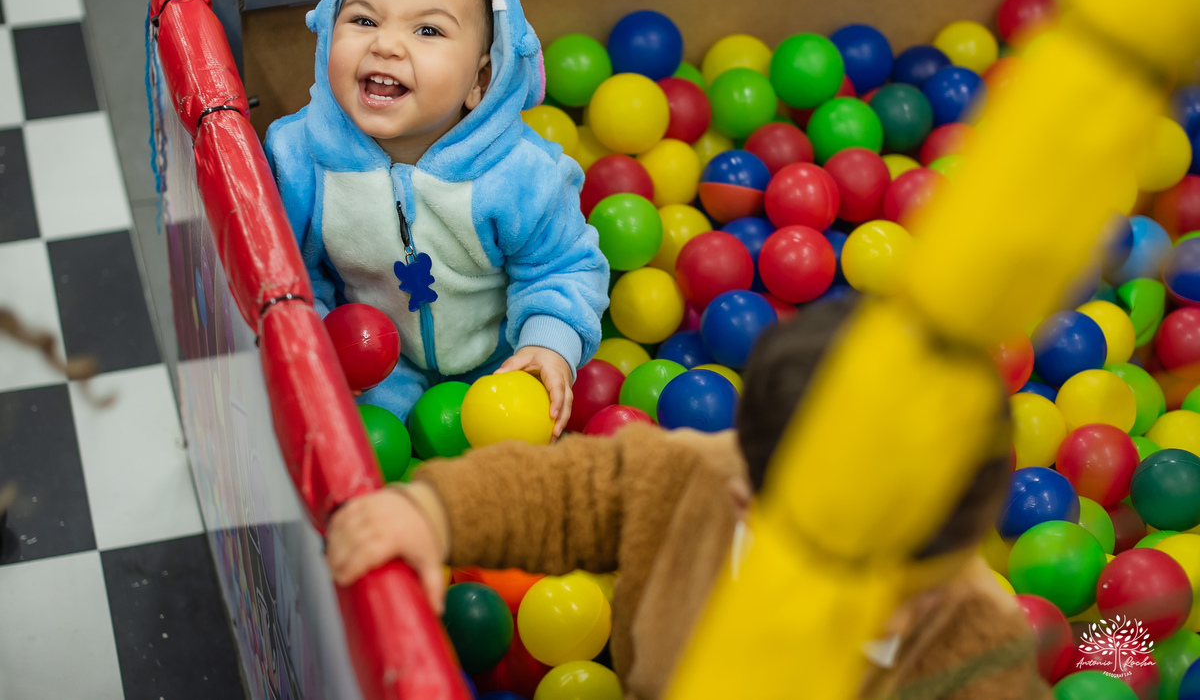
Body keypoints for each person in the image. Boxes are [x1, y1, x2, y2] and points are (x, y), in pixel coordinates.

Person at [325, 298, 1050, 700]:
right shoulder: (688, 486)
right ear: (748, 505)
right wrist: (429, 512)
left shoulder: (975, 651)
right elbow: (569, 490)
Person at [266, 0, 608, 436]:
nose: (386, 45)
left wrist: (549, 343)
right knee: (363, 445)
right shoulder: (302, 160)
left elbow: (562, 269)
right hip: (379, 365)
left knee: (519, 461)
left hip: (503, 362)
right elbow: (292, 275)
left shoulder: (520, 174)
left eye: (427, 30)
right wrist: (319, 346)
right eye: (363, 20)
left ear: (481, 79)